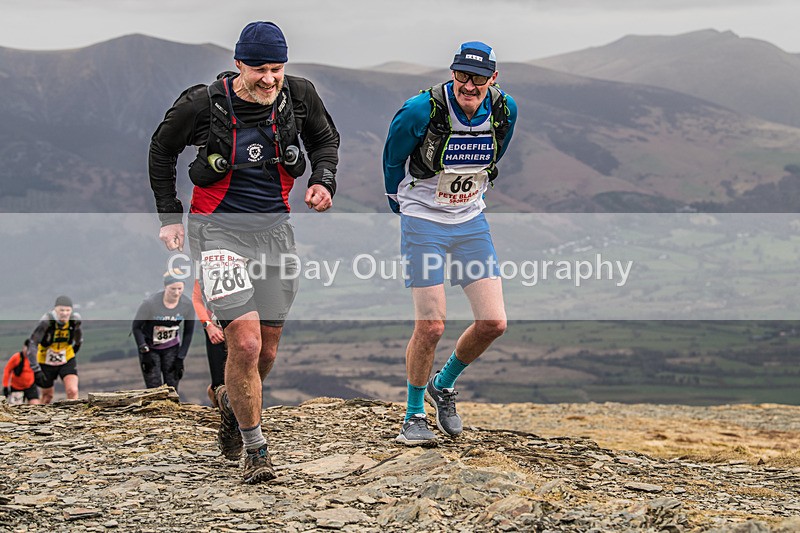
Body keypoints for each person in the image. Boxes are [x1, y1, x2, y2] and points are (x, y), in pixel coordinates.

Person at [148, 21, 339, 483]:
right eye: (259, 69)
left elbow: (324, 141)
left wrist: (322, 179)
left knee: (267, 349)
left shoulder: (299, 95)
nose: (270, 78)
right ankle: (256, 450)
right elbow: (161, 150)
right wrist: (170, 215)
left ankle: (233, 408)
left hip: (275, 234)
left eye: (277, 68)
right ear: (238, 64)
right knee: (246, 341)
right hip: (218, 236)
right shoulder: (203, 104)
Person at [383, 41, 518, 445]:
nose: (469, 85)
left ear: (493, 78)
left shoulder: (505, 108)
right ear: (452, 72)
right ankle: (412, 415)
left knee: (493, 323)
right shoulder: (420, 109)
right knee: (431, 325)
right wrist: (400, 203)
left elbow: (497, 153)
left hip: (470, 220)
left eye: (478, 77)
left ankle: (442, 385)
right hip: (424, 219)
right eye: (462, 75)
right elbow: (392, 158)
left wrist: (475, 192)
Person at [131, 270, 196, 393]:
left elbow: (188, 333)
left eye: (180, 288)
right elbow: (136, 327)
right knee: (154, 389)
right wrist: (144, 350)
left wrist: (180, 358)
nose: (177, 293)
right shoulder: (150, 304)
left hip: (172, 348)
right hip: (150, 348)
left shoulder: (187, 305)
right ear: (165, 287)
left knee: (172, 388)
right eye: (173, 289)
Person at [28, 295, 83, 404]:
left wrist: (75, 348)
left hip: (66, 358)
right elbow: (33, 343)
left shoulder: (74, 321)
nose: (65, 313)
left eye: (68, 310)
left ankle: (73, 418)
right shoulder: (46, 321)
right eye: (61, 310)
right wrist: (36, 369)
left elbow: (78, 337)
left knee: (72, 390)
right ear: (55, 309)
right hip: (46, 360)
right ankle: (40, 418)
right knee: (47, 396)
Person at [191, 279, 227, 406]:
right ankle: (220, 412)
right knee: (218, 382)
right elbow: (197, 298)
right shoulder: (203, 266)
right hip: (215, 329)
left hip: (241, 330)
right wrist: (208, 325)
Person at [2, 340, 40, 405]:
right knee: (16, 407)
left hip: (30, 385)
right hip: (17, 387)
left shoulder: (35, 357)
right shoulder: (16, 357)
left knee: (35, 404)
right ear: (24, 347)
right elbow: (7, 370)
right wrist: (5, 385)